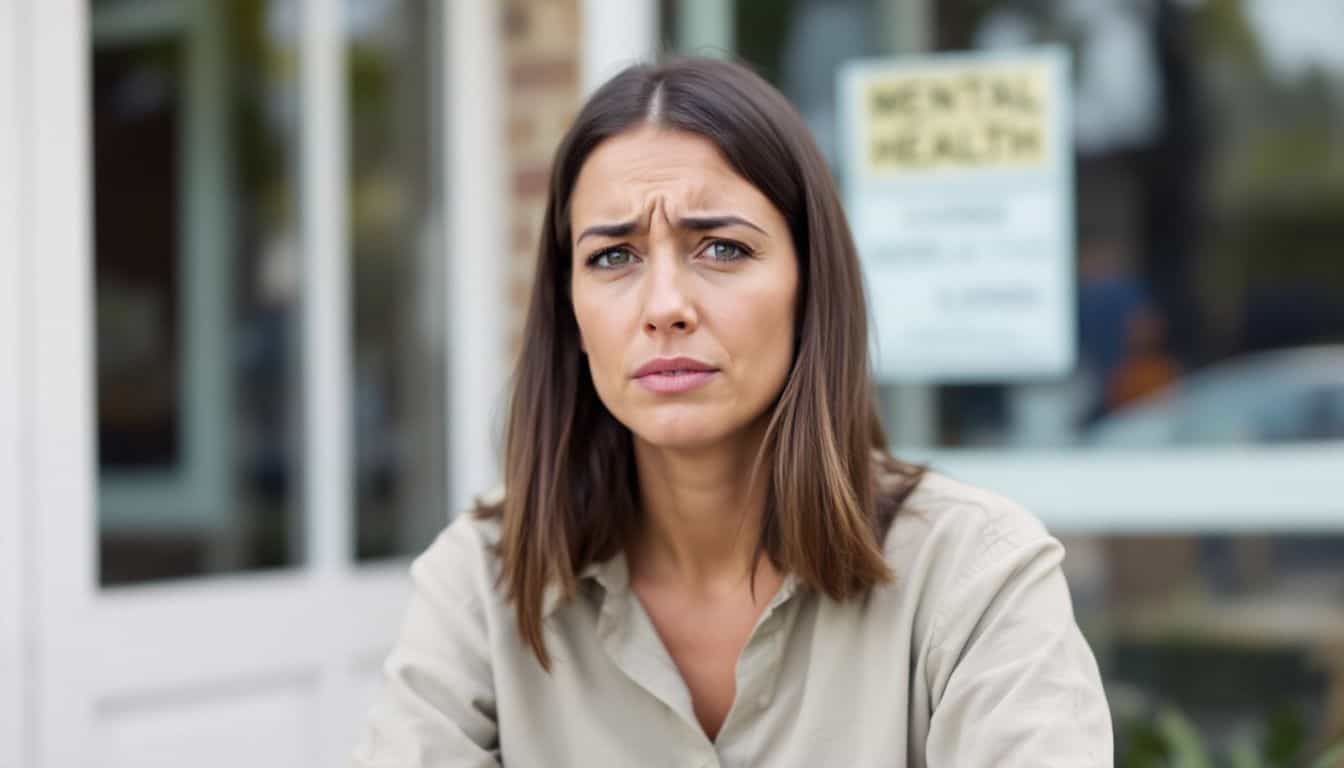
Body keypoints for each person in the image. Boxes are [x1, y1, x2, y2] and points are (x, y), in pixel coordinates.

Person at [352, 57, 1112, 767]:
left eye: (720, 248)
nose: (665, 307)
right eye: (614, 257)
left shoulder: (971, 573)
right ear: (570, 312)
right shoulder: (485, 581)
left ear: (811, 288)